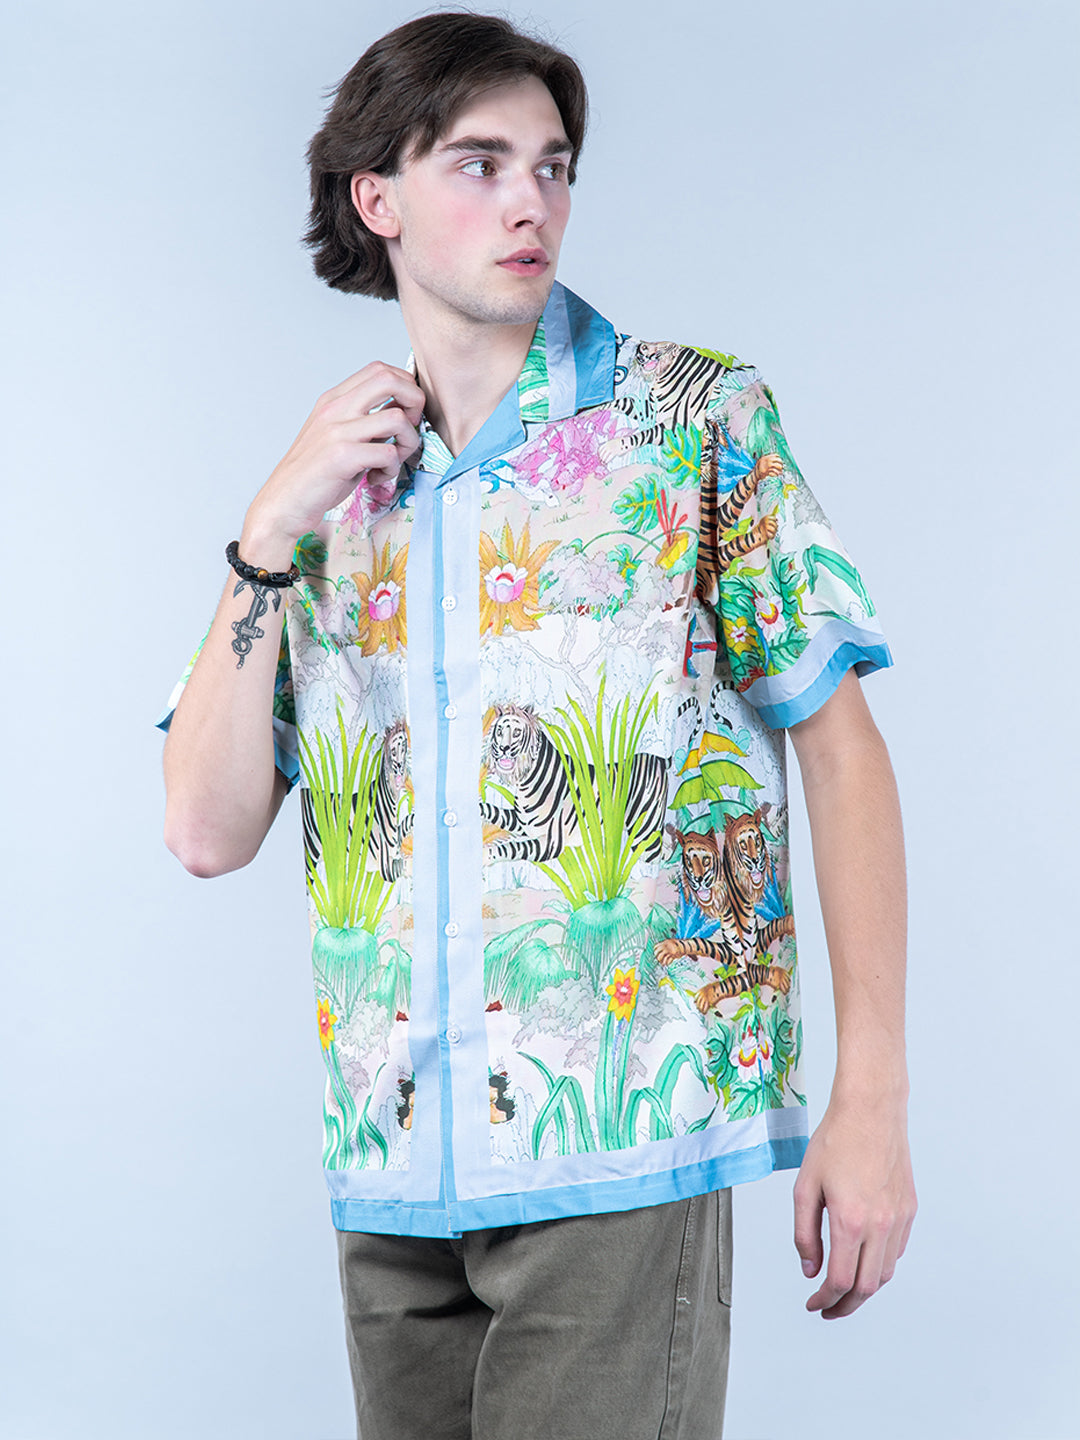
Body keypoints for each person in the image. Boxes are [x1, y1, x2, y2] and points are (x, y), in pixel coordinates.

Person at [160, 12, 916, 1438]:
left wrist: (869, 1094)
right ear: (377, 199)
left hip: (622, 1154)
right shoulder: (329, 495)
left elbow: (841, 746)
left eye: (553, 165)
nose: (532, 201)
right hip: (393, 1170)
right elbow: (204, 828)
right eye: (480, 162)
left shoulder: (693, 422)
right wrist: (265, 536)